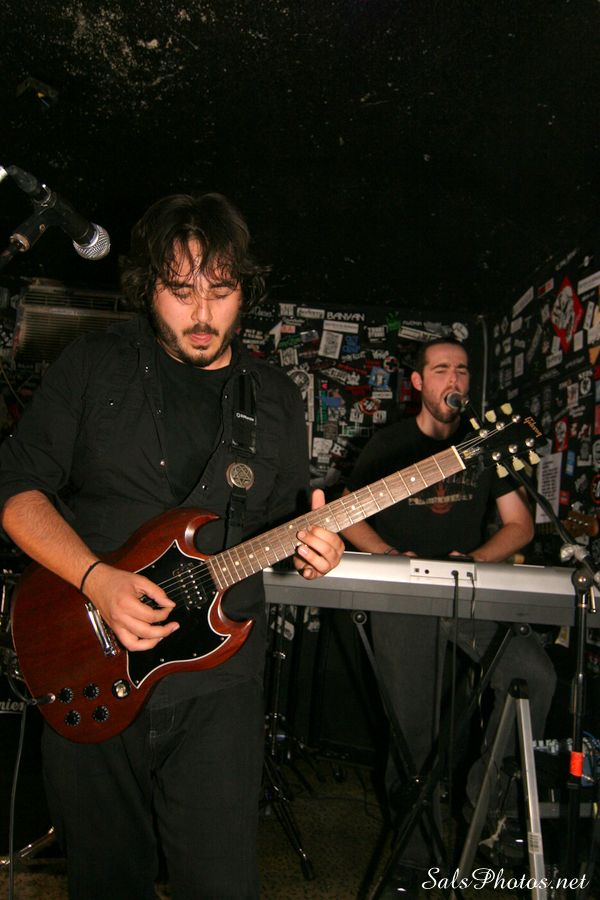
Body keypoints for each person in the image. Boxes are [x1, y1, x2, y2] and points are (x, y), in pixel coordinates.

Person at [0, 192, 344, 899]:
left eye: (221, 291)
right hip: (88, 659)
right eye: (181, 291)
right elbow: (16, 489)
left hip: (221, 686)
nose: (202, 313)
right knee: (105, 882)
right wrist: (97, 580)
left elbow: (286, 524)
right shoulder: (93, 363)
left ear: (245, 290)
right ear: (147, 286)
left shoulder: (276, 397)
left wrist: (316, 549)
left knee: (221, 885)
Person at [342, 338, 556, 892]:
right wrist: (389, 555)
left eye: (461, 370)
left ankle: (489, 810)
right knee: (414, 732)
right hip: (404, 595)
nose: (454, 379)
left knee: (533, 674)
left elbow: (520, 525)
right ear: (418, 382)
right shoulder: (389, 445)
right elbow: (346, 513)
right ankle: (417, 859)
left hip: (469, 590)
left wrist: (476, 559)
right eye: (441, 369)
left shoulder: (485, 442)